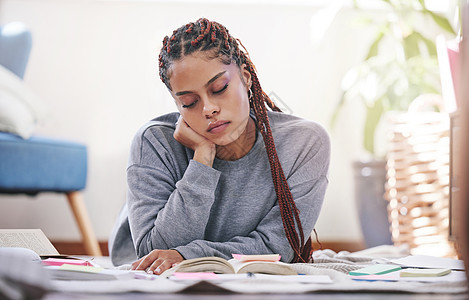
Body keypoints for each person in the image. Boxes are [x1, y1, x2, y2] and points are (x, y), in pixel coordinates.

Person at [108, 18, 330, 275]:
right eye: (189, 102)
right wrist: (202, 159)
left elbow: (279, 246)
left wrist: (189, 255)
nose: (208, 109)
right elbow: (156, 253)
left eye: (219, 88)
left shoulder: (303, 142)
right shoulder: (154, 141)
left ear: (246, 78)